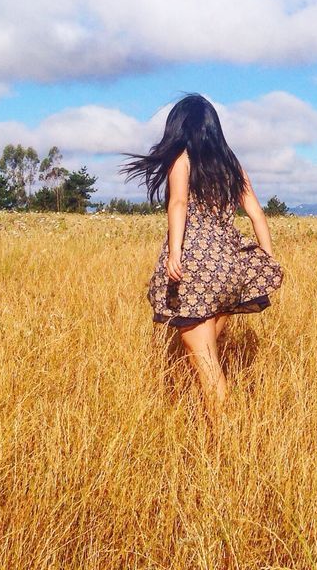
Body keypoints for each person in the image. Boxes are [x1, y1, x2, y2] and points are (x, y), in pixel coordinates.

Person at [122, 94, 283, 414]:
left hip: (196, 272)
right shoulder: (231, 164)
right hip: (229, 270)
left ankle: (230, 442)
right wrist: (266, 256)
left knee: (210, 373)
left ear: (178, 127)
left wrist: (175, 252)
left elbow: (178, 203)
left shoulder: (182, 159)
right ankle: (193, 420)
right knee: (200, 355)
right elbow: (255, 212)